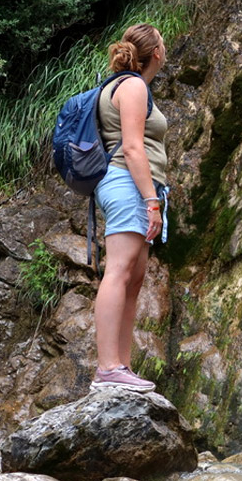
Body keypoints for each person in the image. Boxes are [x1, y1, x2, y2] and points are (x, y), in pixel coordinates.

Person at [90, 23, 169, 392]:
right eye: (163, 45)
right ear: (156, 53)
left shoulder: (124, 85)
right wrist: (152, 201)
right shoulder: (133, 86)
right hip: (128, 184)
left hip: (135, 186)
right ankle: (107, 368)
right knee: (119, 272)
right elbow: (133, 148)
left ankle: (121, 366)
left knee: (133, 280)